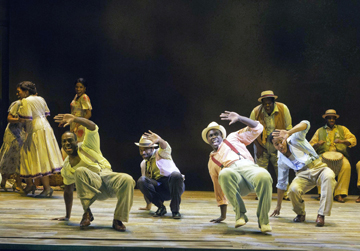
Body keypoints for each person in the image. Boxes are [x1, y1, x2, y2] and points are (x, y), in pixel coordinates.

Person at [53, 113, 135, 231]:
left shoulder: (87, 146)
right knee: (80, 171)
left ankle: (118, 219)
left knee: (127, 179)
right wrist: (67, 216)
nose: (67, 144)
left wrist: (75, 119)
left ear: (76, 141)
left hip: (107, 177)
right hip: (94, 189)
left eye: (70, 140)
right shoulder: (66, 166)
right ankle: (87, 213)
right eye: (64, 142)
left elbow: (92, 127)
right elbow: (68, 190)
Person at [202, 111, 273, 233]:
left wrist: (240, 118)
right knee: (224, 174)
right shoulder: (212, 161)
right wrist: (223, 216)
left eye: (216, 134)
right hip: (236, 181)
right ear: (208, 140)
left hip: (248, 168)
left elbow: (257, 128)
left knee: (264, 175)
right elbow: (218, 188)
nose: (214, 137)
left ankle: (263, 221)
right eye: (211, 135)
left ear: (222, 135)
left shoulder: (232, 138)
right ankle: (240, 215)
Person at [270, 120, 336, 227]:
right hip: (302, 175)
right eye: (276, 144)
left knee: (329, 176)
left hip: (318, 167)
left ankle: (321, 214)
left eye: (281, 142)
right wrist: (278, 206)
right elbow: (281, 183)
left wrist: (289, 132)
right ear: (273, 145)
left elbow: (306, 124)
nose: (280, 146)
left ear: (285, 139)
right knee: (292, 190)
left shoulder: (295, 139)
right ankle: (300, 213)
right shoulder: (281, 159)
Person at [17, 81, 63, 197]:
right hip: (45, 126)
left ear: (26, 91)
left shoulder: (26, 101)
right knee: (41, 157)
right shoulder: (40, 98)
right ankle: (33, 185)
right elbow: (46, 113)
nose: (19, 94)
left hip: (35, 129)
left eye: (20, 92)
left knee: (37, 156)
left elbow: (25, 118)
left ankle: (45, 188)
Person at [250, 90, 292, 200]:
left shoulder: (283, 109)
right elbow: (250, 131)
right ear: (262, 103)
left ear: (274, 101)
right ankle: (261, 194)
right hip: (261, 145)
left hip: (278, 145)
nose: (267, 106)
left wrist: (283, 145)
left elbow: (289, 129)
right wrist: (258, 147)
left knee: (282, 168)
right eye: (265, 103)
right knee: (260, 170)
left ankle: (285, 193)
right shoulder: (256, 112)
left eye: (269, 103)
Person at [309, 109, 356, 203]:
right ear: (326, 119)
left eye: (333, 118)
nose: (331, 120)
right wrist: (317, 144)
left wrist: (342, 141)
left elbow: (353, 140)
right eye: (329, 118)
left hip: (340, 155)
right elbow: (310, 146)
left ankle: (339, 193)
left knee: (346, 166)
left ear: (335, 119)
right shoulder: (320, 131)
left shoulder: (343, 129)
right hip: (323, 155)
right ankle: (322, 193)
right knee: (318, 165)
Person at [135, 131, 185, 219]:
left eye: (145, 149)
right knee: (141, 180)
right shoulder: (143, 163)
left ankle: (175, 211)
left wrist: (160, 140)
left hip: (172, 185)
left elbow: (165, 146)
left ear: (152, 148)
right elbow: (144, 184)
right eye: (141, 150)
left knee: (176, 175)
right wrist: (148, 206)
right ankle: (161, 207)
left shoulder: (161, 153)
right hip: (159, 188)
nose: (143, 153)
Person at [0, 100, 25, 192]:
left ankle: (17, 183)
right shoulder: (18, 104)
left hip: (21, 132)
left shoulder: (28, 104)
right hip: (12, 133)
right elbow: (9, 118)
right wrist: (19, 120)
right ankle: (8, 181)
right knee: (8, 156)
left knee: (18, 158)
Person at [70, 78, 92, 142]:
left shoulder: (84, 97)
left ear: (85, 88)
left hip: (80, 126)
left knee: (79, 146)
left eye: (81, 87)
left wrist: (77, 125)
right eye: (77, 87)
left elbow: (88, 114)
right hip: (73, 124)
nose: (78, 89)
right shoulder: (76, 96)